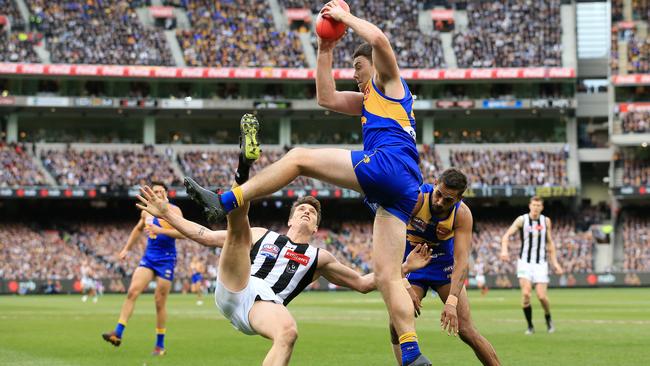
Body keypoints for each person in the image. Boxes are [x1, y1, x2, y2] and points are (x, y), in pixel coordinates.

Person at [183, 2, 429, 363]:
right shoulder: (367, 104)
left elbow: (377, 38)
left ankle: (226, 200)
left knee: (298, 157)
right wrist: (324, 49)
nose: (356, 76)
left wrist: (343, 18)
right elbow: (325, 98)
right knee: (388, 276)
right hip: (403, 187)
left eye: (358, 68)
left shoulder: (387, 82)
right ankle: (411, 351)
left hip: (389, 165)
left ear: (373, 66)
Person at [135, 155, 432, 366]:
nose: (306, 212)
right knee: (240, 231)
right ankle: (243, 169)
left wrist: (405, 268)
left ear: (316, 227)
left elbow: (366, 283)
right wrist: (168, 214)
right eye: (301, 210)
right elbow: (202, 234)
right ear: (290, 219)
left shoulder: (320, 258)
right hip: (238, 285)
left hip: (264, 307)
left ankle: (237, 182)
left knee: (288, 333)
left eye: (312, 213)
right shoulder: (264, 235)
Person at [382, 169, 500, 366]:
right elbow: (389, 243)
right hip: (413, 267)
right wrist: (404, 282)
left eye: (448, 200)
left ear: (459, 198)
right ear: (435, 183)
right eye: (439, 194)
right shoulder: (416, 199)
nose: (440, 202)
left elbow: (461, 261)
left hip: (443, 269)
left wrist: (452, 302)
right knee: (396, 323)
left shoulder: (462, 214)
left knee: (466, 330)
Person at [101, 182, 185, 356]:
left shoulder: (174, 211)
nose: (158, 193)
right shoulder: (146, 212)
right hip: (149, 258)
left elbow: (184, 233)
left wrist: (160, 231)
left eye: (161, 191)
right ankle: (118, 332)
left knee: (159, 302)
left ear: (166, 194)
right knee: (132, 292)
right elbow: (138, 229)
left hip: (167, 260)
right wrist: (126, 249)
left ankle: (160, 345)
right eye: (155, 191)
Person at [500, 196, 564, 335]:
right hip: (525, 263)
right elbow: (506, 236)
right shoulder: (522, 220)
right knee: (526, 294)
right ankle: (530, 326)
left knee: (541, 296)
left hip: (541, 263)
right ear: (530, 206)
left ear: (542, 207)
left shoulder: (546, 221)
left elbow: (550, 243)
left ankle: (548, 317)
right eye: (533, 205)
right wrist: (504, 250)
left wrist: (555, 263)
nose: (535, 207)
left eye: (538, 205)